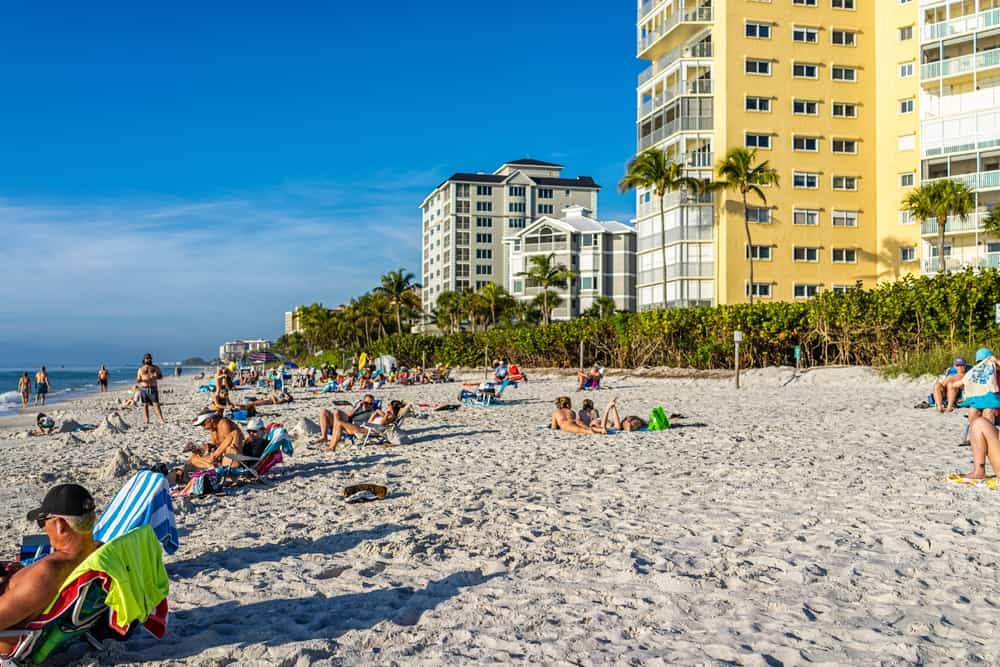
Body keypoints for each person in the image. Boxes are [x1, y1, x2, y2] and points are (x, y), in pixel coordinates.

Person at [0, 484, 99, 653]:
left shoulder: (47, 573)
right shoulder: (97, 553)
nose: (44, 528)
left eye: (42, 521)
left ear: (60, 524)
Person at [324, 399, 406, 452]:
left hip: (367, 431)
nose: (387, 406)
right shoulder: (390, 415)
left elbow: (382, 423)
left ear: (391, 407)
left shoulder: (390, 416)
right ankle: (332, 445)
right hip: (367, 428)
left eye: (389, 405)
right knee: (338, 423)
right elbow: (372, 421)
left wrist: (385, 414)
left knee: (339, 423)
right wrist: (375, 414)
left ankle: (332, 447)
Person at [136, 354, 166, 424]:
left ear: (151, 359)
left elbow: (161, 376)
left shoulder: (156, 368)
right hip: (144, 388)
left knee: (156, 404)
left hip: (153, 388)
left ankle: (161, 419)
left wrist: (155, 377)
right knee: (145, 405)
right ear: (144, 360)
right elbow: (138, 380)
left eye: (149, 358)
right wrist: (144, 380)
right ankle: (147, 420)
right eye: (147, 358)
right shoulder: (141, 369)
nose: (148, 359)